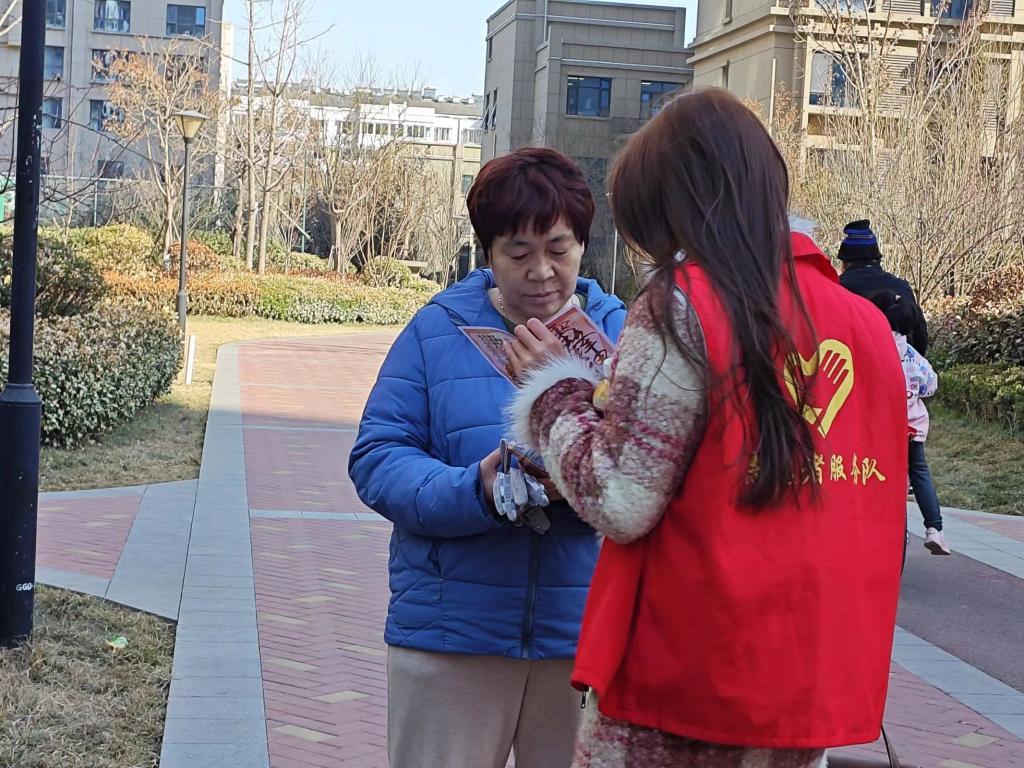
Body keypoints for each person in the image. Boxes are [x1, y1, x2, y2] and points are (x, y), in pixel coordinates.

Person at [506, 90, 908, 767]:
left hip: (683, 675)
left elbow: (620, 496)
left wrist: (555, 391)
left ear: (676, 210)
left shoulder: (682, 303)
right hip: (804, 677)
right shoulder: (864, 323)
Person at [348, 147, 627, 768]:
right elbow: (378, 457)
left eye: (558, 249)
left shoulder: (624, 335)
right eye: (518, 252)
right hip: (452, 634)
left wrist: (577, 462)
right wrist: (476, 487)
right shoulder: (437, 330)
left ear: (583, 244)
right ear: (488, 252)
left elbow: (653, 470)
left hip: (583, 637)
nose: (541, 272)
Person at [868, 289, 951, 556]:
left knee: (879, 476)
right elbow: (931, 385)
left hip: (880, 428)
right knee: (919, 472)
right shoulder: (913, 357)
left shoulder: (873, 350)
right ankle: (934, 529)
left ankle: (887, 529)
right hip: (912, 428)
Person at [838, 219, 929, 354]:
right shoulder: (901, 287)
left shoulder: (836, 288)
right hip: (901, 363)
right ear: (877, 259)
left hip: (853, 364)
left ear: (845, 262)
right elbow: (920, 339)